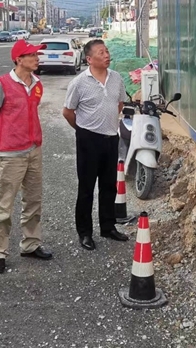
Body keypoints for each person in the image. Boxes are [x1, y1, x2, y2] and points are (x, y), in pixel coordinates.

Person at [0, 39, 53, 274]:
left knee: (33, 200)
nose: (37, 58)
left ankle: (31, 244)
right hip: (10, 153)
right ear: (18, 59)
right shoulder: (2, 84)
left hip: (33, 149)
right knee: (5, 204)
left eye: (37, 54)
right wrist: (2, 142)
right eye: (32, 55)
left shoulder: (37, 84)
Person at [62, 39, 128, 250]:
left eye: (107, 51)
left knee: (109, 186)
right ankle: (85, 233)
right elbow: (68, 112)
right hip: (88, 140)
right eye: (101, 53)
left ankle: (108, 227)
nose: (107, 55)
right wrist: (83, 131)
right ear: (89, 59)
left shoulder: (116, 78)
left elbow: (119, 104)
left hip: (111, 138)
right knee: (86, 188)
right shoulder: (79, 82)